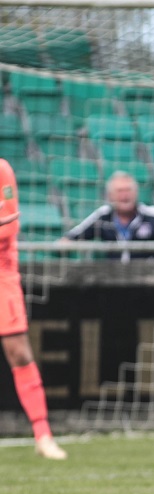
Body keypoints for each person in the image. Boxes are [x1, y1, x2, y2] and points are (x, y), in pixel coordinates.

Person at [0, 158, 67, 460]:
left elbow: (8, 226)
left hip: (2, 274)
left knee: (20, 352)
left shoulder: (2, 169)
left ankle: (43, 435)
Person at [63, 171, 154, 263]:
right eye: (120, 191)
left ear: (136, 193)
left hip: (150, 280)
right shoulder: (103, 215)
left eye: (128, 190)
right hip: (113, 281)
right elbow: (70, 238)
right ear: (110, 196)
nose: (125, 196)